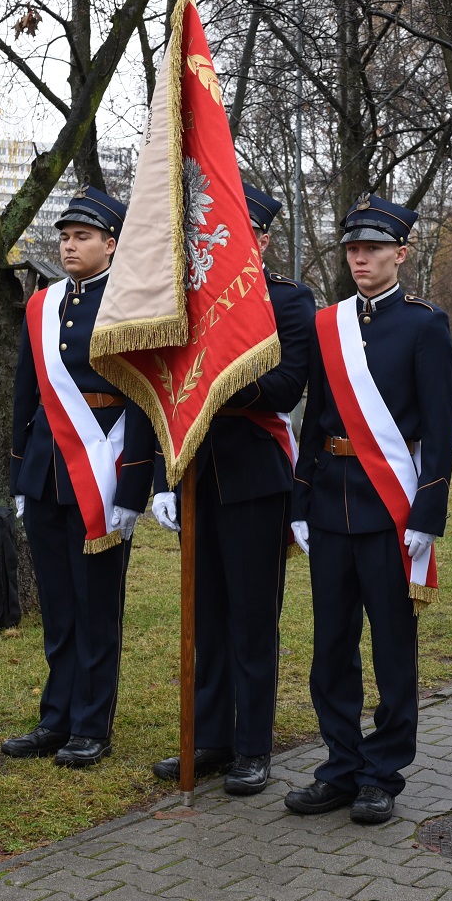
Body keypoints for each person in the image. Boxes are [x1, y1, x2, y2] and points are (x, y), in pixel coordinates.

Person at [285, 194, 452, 825]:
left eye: (373, 249)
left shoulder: (424, 324)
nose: (361, 258)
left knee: (391, 647)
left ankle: (382, 770)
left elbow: (438, 431)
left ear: (400, 255)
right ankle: (340, 764)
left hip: (391, 509)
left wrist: (427, 515)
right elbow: (313, 421)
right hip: (331, 503)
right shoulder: (327, 324)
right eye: (353, 249)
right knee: (330, 646)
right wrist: (301, 498)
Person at [149, 182, 316, 795]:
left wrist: (218, 377)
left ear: (264, 240)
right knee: (206, 615)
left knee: (250, 617)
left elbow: (284, 388)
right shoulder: (187, 302)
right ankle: (211, 738)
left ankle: (253, 747)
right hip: (196, 472)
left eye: (241, 231)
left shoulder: (289, 303)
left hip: (254, 475)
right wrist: (164, 475)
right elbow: (166, 387)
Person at [1, 187, 157, 769]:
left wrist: (134, 489)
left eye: (83, 236)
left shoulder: (131, 305)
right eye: (65, 236)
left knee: (96, 606)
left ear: (111, 244)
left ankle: (92, 724)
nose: (70, 245)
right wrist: (20, 476)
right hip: (47, 469)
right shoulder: (42, 306)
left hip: (103, 471)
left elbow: (144, 401)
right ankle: (55, 717)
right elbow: (25, 395)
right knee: (60, 606)